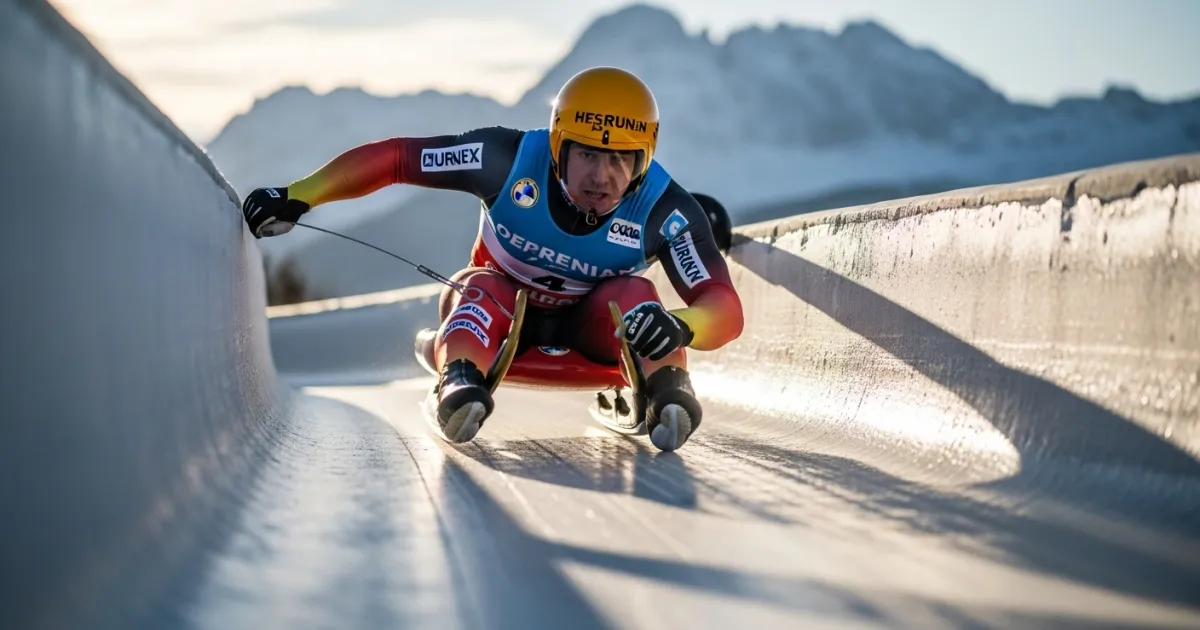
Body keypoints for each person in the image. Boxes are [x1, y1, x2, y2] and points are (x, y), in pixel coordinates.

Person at [240, 66, 744, 451]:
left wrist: (682, 327)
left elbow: (722, 305)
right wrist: (300, 194)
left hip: (596, 326)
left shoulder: (667, 209)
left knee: (638, 296)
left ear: (643, 161)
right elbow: (397, 159)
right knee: (486, 286)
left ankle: (669, 388)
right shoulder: (504, 159)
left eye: (619, 159)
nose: (600, 177)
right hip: (501, 312)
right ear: (556, 145)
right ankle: (460, 379)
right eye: (587, 154)